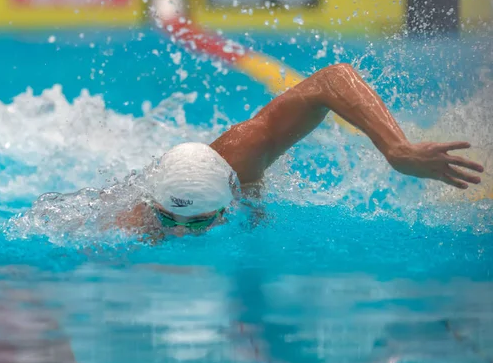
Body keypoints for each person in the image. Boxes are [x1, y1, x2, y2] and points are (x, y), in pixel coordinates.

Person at [116, 63, 484, 235]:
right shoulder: (137, 222)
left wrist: (397, 149)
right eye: (168, 219)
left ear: (228, 200)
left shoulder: (240, 157)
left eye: (199, 223)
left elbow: (331, 80)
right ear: (155, 206)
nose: (180, 232)